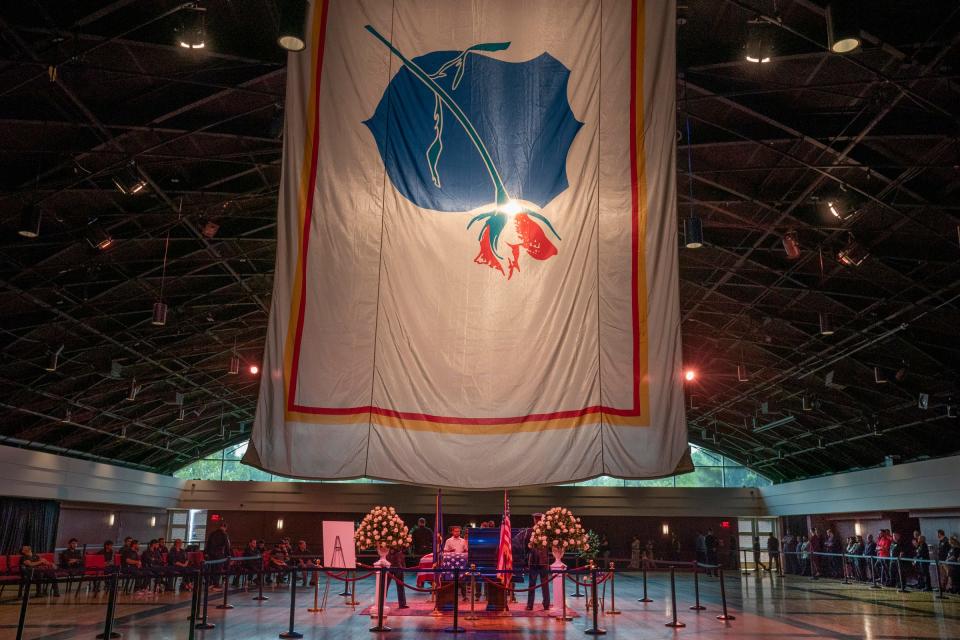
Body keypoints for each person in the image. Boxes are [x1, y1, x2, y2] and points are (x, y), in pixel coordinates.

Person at [524, 514, 550, 610]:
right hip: (538, 561)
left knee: (535, 584)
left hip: (538, 561)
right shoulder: (545, 531)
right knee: (540, 584)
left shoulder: (535, 531)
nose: (536, 521)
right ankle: (543, 604)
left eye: (536, 519)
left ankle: (531, 605)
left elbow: (526, 547)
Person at [205, 521, 231, 588]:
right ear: (225, 527)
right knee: (218, 569)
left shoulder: (212, 533)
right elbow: (227, 545)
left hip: (211, 554)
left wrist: (206, 553)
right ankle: (216, 584)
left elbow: (208, 544)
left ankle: (210, 583)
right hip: (219, 554)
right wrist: (229, 555)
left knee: (212, 568)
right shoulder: (224, 534)